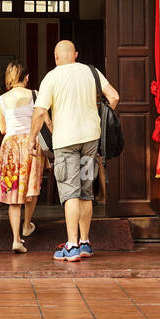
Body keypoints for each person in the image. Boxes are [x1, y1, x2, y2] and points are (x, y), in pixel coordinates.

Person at [31, 40, 119, 263]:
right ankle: (85, 242)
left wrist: (32, 138)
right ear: (76, 54)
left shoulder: (52, 76)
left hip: (66, 141)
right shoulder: (92, 72)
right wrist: (99, 119)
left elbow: (40, 111)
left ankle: (71, 245)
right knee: (86, 191)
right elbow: (114, 97)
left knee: (70, 192)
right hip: (90, 140)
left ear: (56, 56)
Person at [0, 61, 42, 253]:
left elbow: (3, 129)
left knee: (13, 194)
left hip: (10, 146)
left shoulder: (2, 99)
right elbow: (42, 120)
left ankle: (16, 239)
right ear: (26, 77)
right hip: (30, 145)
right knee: (31, 188)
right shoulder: (35, 95)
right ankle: (27, 225)